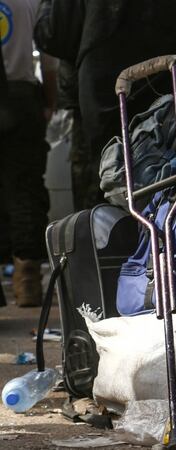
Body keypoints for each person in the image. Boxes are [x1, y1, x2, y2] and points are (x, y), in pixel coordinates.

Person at [1, 0, 56, 307]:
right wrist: (49, 103)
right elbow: (49, 62)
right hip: (22, 99)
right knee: (25, 190)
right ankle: (27, 283)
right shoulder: (29, 2)